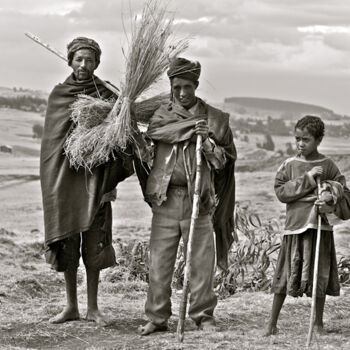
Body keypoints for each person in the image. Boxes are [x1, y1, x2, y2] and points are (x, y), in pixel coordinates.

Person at [40, 37, 135, 325]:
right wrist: (54, 186)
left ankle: (93, 307)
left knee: (93, 247)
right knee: (68, 245)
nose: (84, 65)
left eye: (90, 60)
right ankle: (71, 307)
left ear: (97, 63)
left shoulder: (107, 95)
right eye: (79, 59)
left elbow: (120, 141)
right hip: (65, 185)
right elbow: (52, 148)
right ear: (69, 60)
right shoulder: (59, 95)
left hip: (97, 183)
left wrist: (111, 181)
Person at [139, 57, 237, 335]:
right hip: (166, 200)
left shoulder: (213, 120)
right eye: (177, 87)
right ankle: (157, 318)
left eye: (188, 87)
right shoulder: (160, 117)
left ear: (196, 85)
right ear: (171, 86)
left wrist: (206, 142)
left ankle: (203, 316)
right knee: (159, 262)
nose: (182, 93)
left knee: (201, 264)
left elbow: (222, 162)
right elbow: (149, 150)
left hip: (199, 201)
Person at [265, 115, 350, 336]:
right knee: (284, 275)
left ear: (319, 140)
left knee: (319, 275)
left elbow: (345, 194)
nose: (301, 144)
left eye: (307, 139)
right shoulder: (289, 165)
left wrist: (330, 200)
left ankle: (318, 324)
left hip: (320, 228)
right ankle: (272, 323)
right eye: (298, 139)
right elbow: (281, 192)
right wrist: (309, 178)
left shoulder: (329, 165)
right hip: (294, 228)